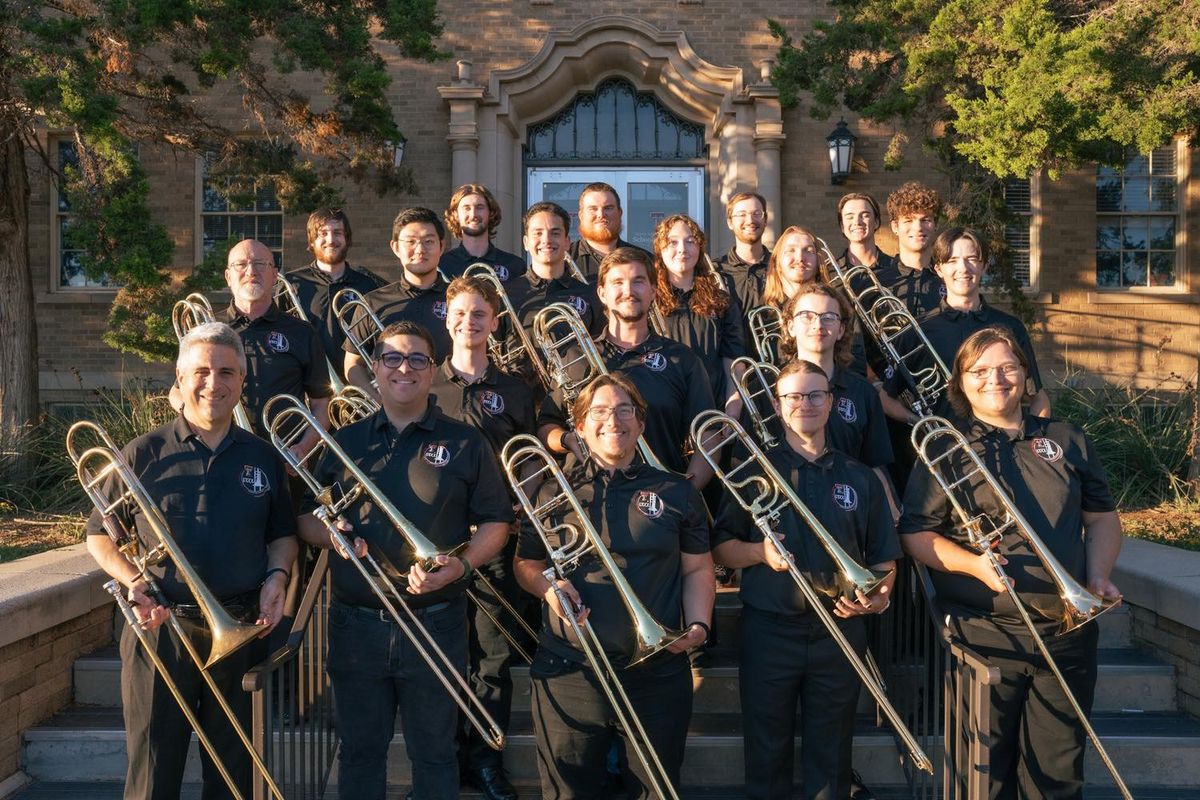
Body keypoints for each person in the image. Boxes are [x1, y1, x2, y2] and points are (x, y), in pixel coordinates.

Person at [899, 325, 1123, 800]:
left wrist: (1098, 574)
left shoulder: (1066, 438)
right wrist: (973, 565)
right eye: (978, 370)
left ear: (1025, 374)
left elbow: (1102, 519)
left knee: (1059, 772)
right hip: (984, 634)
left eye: (1007, 367)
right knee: (984, 774)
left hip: (1068, 630)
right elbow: (916, 535)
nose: (994, 379)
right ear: (960, 383)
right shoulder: (946, 447)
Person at [298, 320, 515, 800]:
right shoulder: (344, 442)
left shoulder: (466, 442)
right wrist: (329, 535)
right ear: (374, 369)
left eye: (418, 359)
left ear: (432, 370)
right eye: (392, 358)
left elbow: (497, 524)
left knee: (436, 755)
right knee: (358, 754)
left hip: (436, 621)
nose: (404, 368)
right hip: (357, 623)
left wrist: (463, 565)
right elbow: (304, 521)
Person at [86, 321, 298, 799]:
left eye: (226, 372)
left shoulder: (263, 458)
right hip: (160, 629)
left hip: (240, 626)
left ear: (242, 383)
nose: (213, 383)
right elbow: (98, 536)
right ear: (179, 381)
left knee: (233, 768)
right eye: (200, 371)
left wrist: (278, 575)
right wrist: (132, 579)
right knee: (153, 764)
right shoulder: (143, 452)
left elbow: (282, 534)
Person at [514, 373, 715, 800]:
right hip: (570, 670)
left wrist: (698, 626)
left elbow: (698, 569)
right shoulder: (553, 490)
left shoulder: (676, 491)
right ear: (581, 425)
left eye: (625, 410)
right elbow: (526, 564)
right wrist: (548, 587)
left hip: (656, 672)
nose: (614, 420)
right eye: (600, 411)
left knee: (656, 792)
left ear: (641, 423)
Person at [711, 358, 901, 800]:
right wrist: (759, 553)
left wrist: (880, 598)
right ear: (778, 406)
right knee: (766, 751)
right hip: (768, 629)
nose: (806, 404)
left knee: (832, 756)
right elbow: (721, 547)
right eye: (794, 396)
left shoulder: (860, 477)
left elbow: (885, 560)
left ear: (832, 403)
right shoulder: (752, 471)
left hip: (841, 629)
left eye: (816, 394)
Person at [430, 276, 538, 800]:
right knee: (445, 657)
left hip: (498, 543)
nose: (469, 322)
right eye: (460, 313)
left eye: (480, 314)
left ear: (494, 322)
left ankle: (486, 759)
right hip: (436, 549)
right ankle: (445, 762)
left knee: (493, 661)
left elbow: (534, 458)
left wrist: (515, 508)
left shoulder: (517, 388)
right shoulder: (426, 385)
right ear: (446, 320)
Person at [537, 246, 715, 487]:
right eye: (617, 283)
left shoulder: (682, 360)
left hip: (660, 499)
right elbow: (547, 426)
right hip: (589, 499)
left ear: (653, 291)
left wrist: (685, 495)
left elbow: (709, 436)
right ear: (601, 293)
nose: (628, 291)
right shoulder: (575, 356)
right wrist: (568, 439)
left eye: (638, 281)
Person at [881, 227, 1050, 424]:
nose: (963, 268)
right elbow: (886, 399)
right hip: (944, 450)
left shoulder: (1010, 327)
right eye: (952, 261)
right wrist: (920, 423)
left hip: (1003, 448)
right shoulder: (917, 330)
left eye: (972, 259)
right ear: (938, 269)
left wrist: (1034, 441)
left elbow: (1038, 398)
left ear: (984, 266)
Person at [780, 282, 899, 515]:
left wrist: (889, 505)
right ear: (790, 326)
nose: (818, 324)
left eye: (828, 317)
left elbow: (874, 460)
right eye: (807, 316)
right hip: (787, 512)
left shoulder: (863, 391)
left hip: (851, 512)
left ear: (842, 330)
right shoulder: (767, 389)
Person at [343, 207, 452, 391]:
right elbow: (353, 365)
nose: (420, 249)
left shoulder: (459, 300)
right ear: (395, 247)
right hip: (391, 412)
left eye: (428, 241)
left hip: (450, 409)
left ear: (441, 246)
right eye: (410, 241)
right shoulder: (371, 302)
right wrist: (379, 400)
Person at [651, 213, 747, 416]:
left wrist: (734, 404)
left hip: (712, 409)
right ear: (660, 249)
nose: (682, 249)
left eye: (690, 241)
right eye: (672, 242)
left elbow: (733, 359)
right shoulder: (649, 300)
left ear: (700, 248)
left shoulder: (722, 300)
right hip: (661, 411)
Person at [504, 201, 605, 389]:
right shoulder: (506, 294)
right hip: (520, 401)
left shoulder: (589, 294)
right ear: (526, 242)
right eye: (538, 233)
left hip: (579, 398)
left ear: (567, 241)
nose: (547, 240)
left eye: (555, 233)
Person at [282, 208, 385, 384]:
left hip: (359, 389)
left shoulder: (367, 285)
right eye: (323, 234)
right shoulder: (290, 285)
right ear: (312, 241)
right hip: (305, 388)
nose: (331, 240)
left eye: (337, 233)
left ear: (347, 239)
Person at [746, 226, 821, 364]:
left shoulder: (838, 308)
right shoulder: (759, 317)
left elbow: (853, 363)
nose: (800, 257)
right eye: (791, 251)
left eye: (808, 251)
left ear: (818, 261)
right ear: (777, 262)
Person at [439, 184, 527, 283]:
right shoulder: (442, 265)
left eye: (480, 207)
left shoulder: (514, 265)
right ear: (455, 215)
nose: (473, 215)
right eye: (466, 208)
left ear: (491, 213)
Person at [882, 181, 944, 321]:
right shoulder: (876, 283)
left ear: (936, 224)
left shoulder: (949, 280)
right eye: (908, 220)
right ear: (895, 226)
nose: (917, 228)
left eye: (925, 220)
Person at [567, 182, 652, 281]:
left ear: (620, 213)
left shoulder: (646, 261)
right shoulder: (563, 261)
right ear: (581, 215)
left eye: (608, 208)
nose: (601, 215)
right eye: (593, 209)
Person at [714, 191, 771, 316]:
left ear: (765, 220)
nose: (750, 220)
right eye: (741, 215)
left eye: (757, 214)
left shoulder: (781, 266)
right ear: (730, 223)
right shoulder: (715, 270)